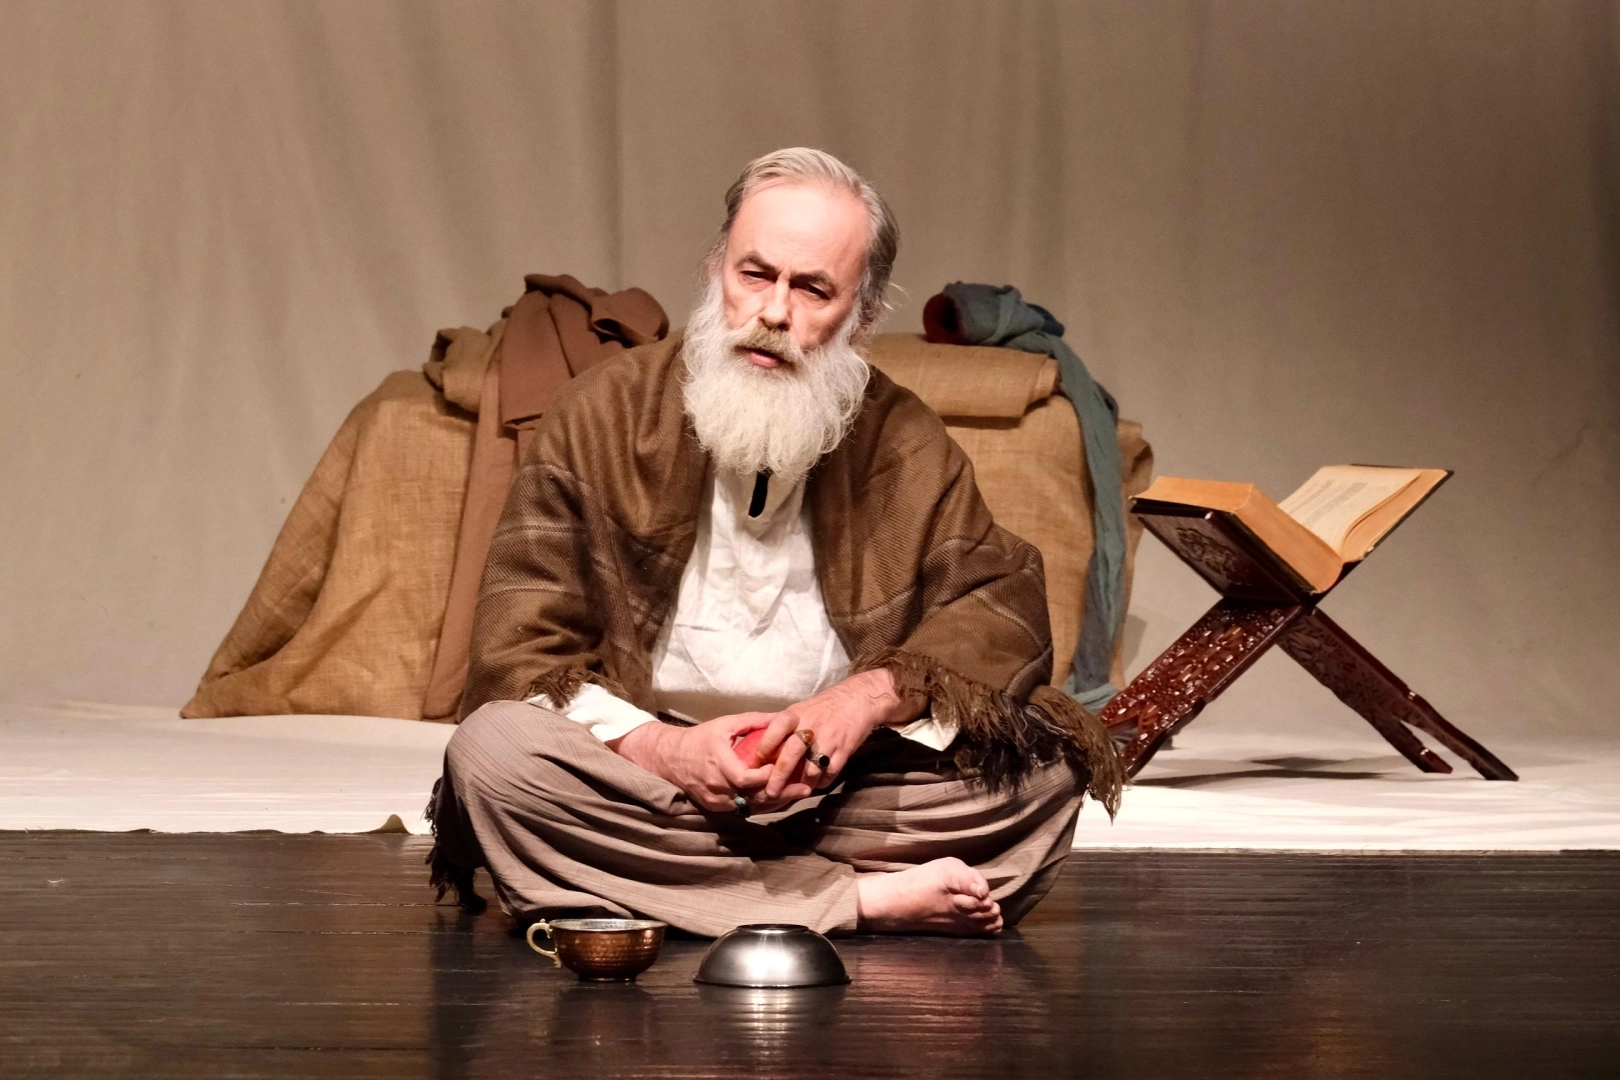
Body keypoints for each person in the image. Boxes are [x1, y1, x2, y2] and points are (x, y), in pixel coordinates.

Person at [427, 147, 1120, 937]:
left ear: (860, 315)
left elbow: (1000, 602)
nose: (774, 312)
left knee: (1046, 768)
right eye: (755, 275)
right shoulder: (603, 412)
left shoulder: (900, 437)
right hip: (644, 778)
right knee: (493, 755)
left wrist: (862, 702)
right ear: (715, 268)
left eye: (813, 289)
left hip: (839, 791)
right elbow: (519, 651)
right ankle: (860, 900)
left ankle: (672, 888)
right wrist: (666, 752)